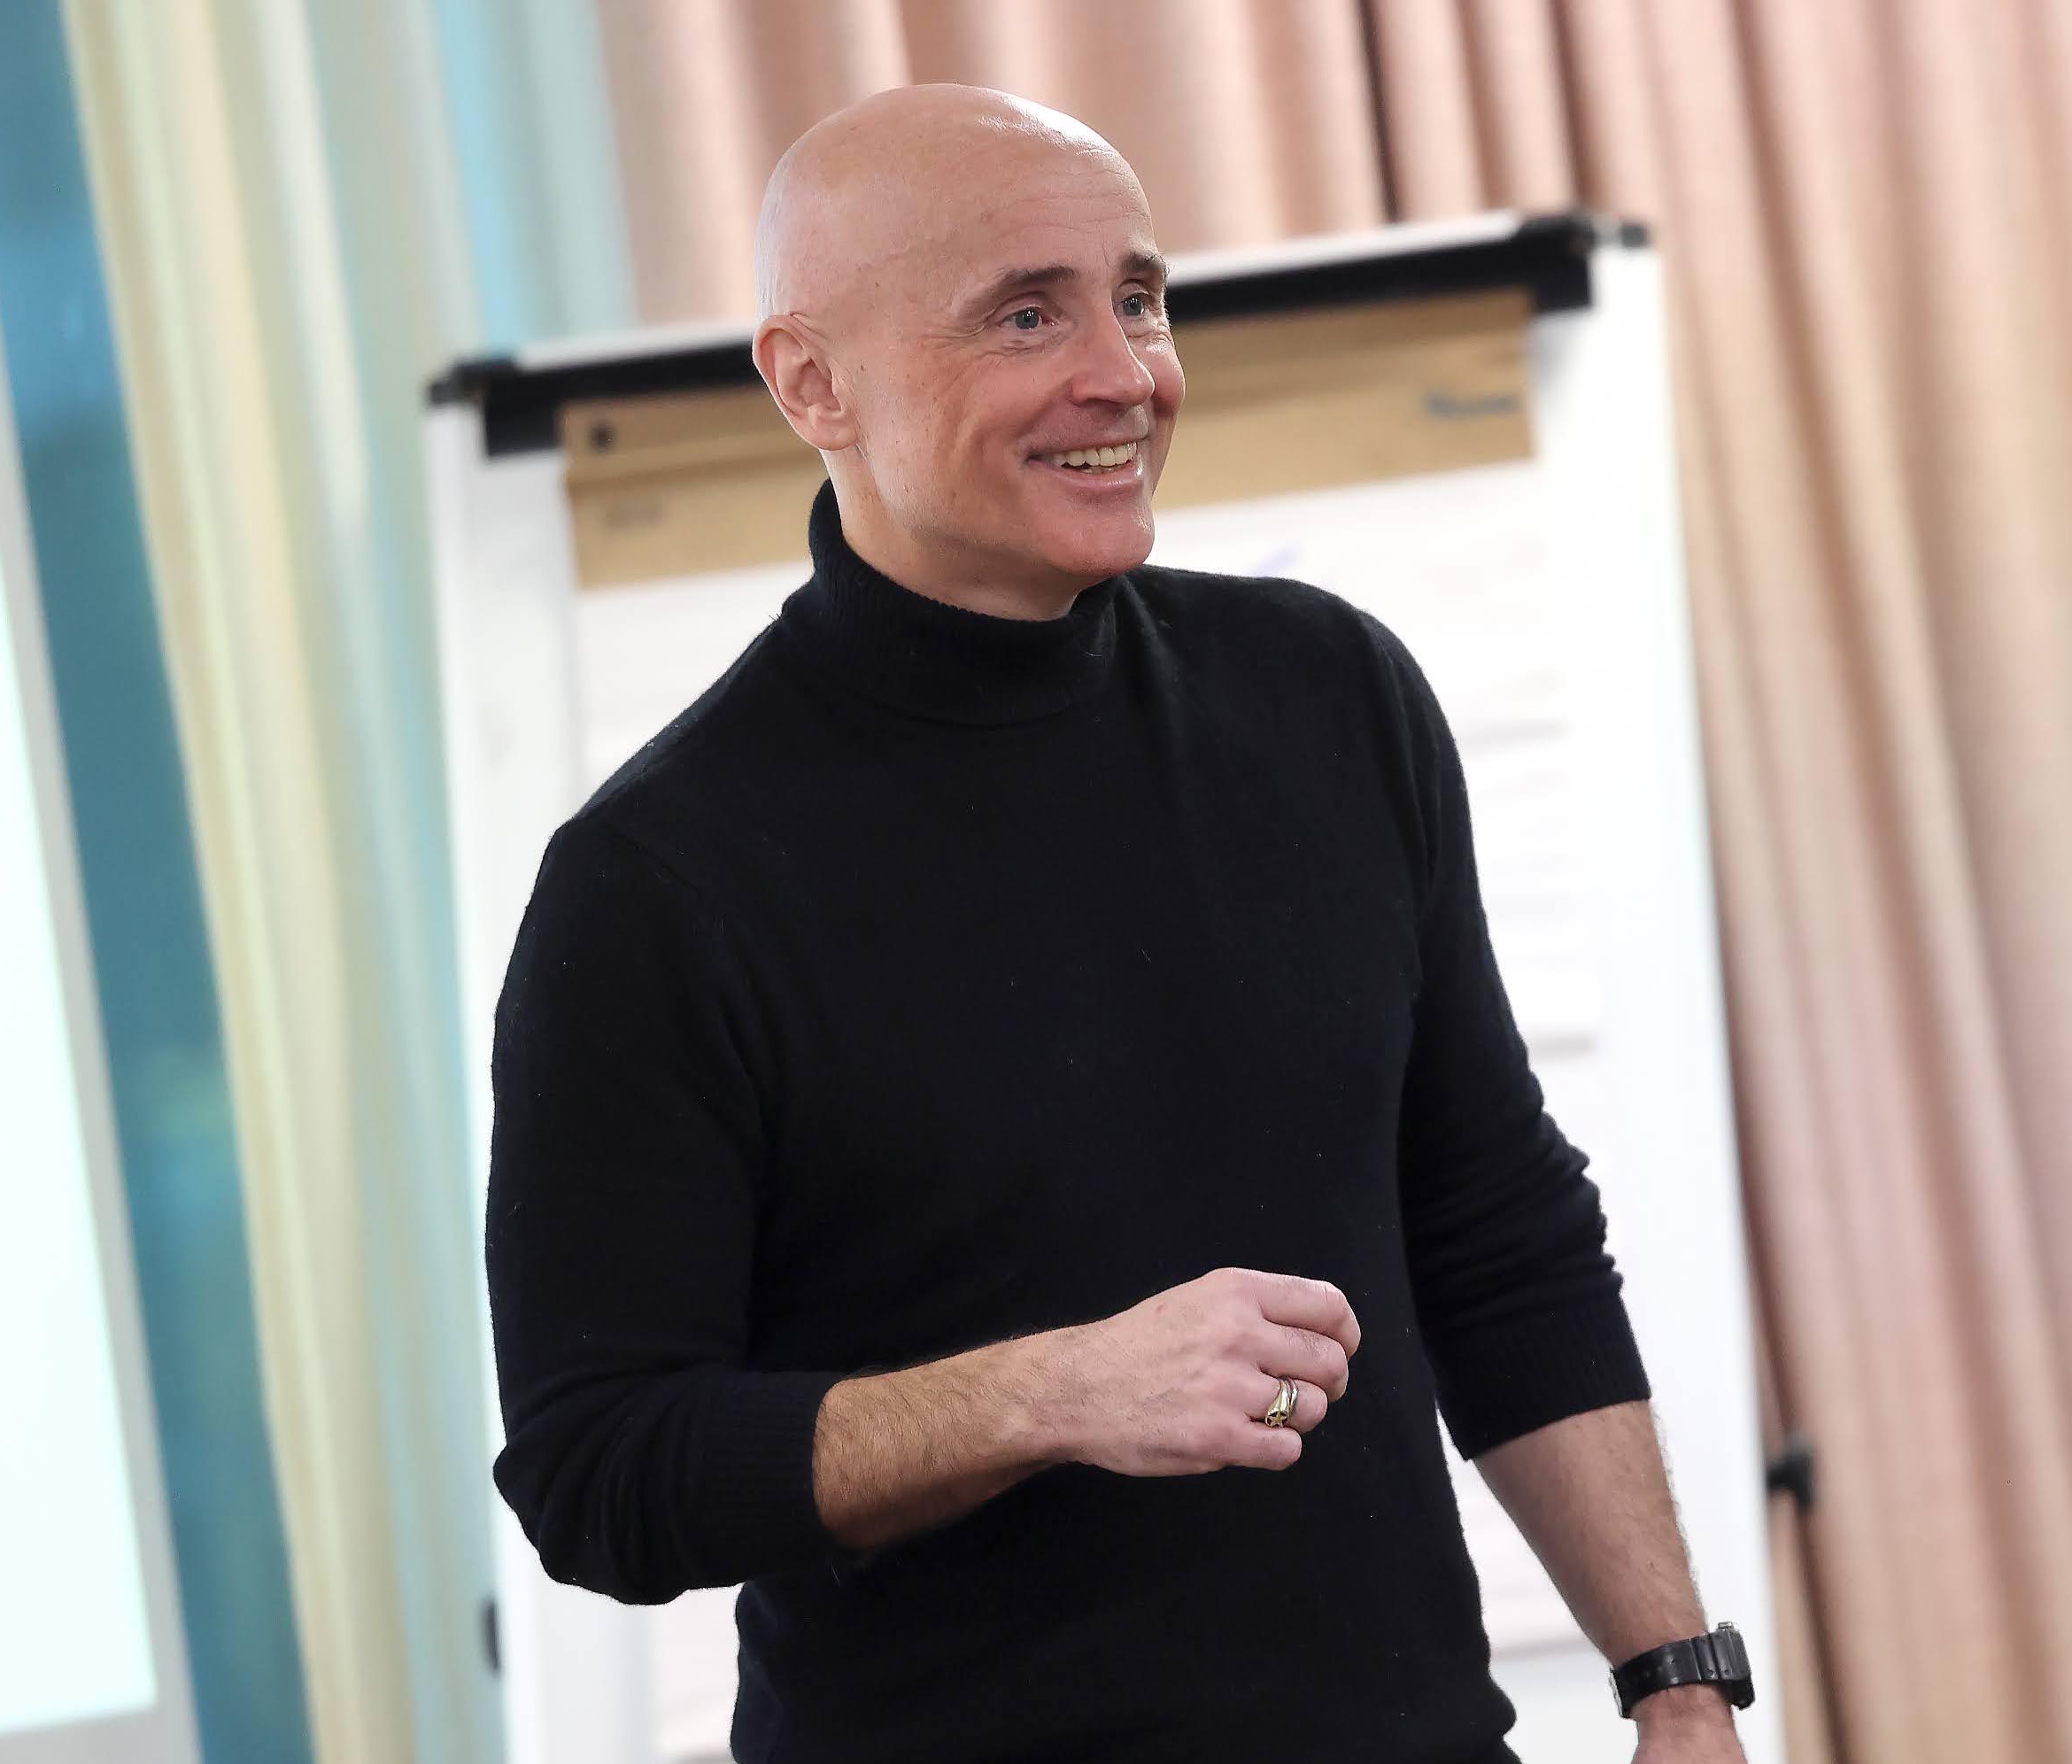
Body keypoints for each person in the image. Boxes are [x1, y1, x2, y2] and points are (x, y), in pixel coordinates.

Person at [483, 84, 1753, 1763]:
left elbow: (1498, 1233)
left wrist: (1677, 1680)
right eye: (1026, 315)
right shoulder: (656, 883)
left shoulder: (1330, 693)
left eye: (1138, 298)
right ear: (811, 384)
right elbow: (602, 1473)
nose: (1126, 373)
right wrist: (1052, 1394)